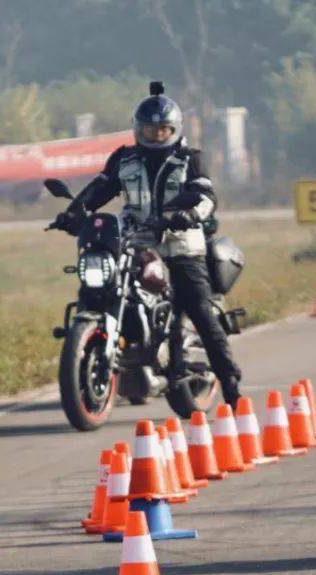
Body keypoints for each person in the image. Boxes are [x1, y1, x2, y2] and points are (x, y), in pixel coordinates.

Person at [54, 82, 242, 405]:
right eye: (149, 130)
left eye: (162, 130)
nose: (155, 136)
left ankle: (230, 382)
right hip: (135, 242)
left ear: (174, 129)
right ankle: (100, 350)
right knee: (100, 287)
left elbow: (206, 196)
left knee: (198, 308)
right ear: (138, 129)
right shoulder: (124, 159)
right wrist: (73, 213)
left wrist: (188, 215)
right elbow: (100, 188)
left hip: (180, 245)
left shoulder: (190, 159)